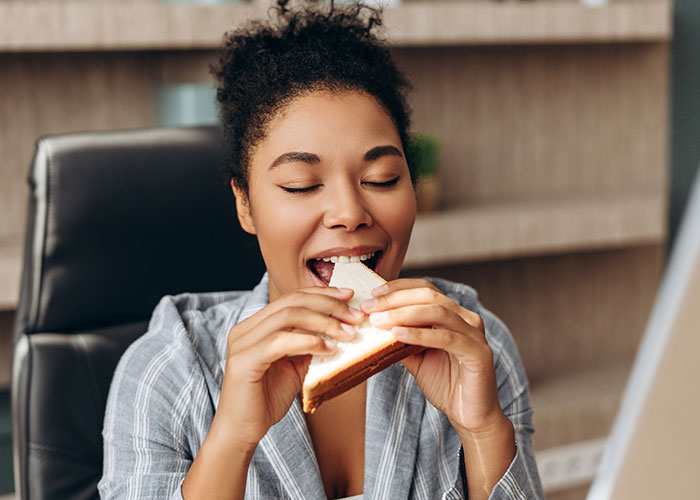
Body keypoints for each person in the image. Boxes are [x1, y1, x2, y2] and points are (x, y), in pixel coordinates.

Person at [99, 1, 544, 499]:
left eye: (383, 178)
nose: (349, 211)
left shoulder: (474, 346)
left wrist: (483, 428)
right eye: (301, 184)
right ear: (245, 205)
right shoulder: (168, 370)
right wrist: (231, 439)